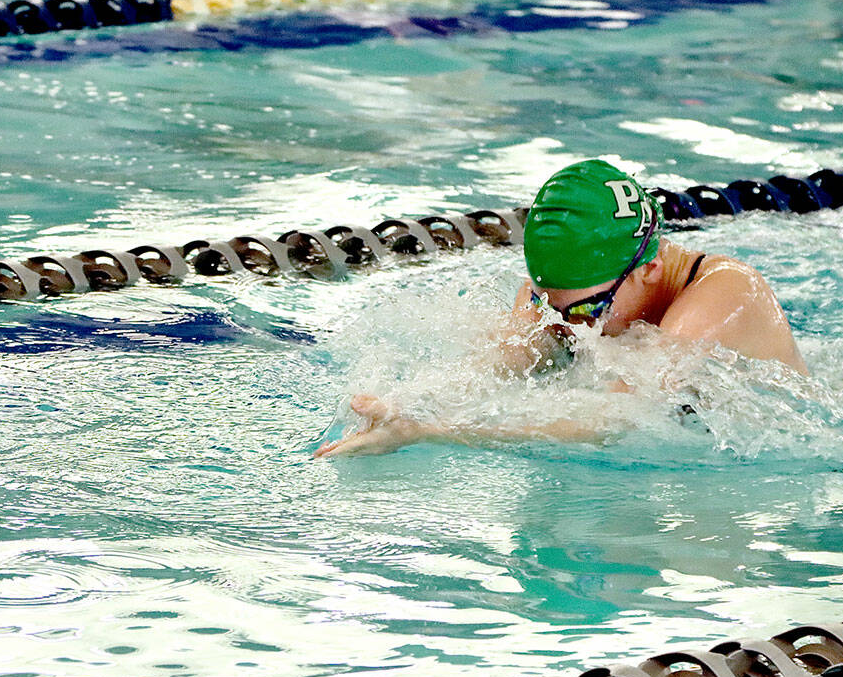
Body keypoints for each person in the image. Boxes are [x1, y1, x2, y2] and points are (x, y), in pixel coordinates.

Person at [315, 158, 807, 458]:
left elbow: (616, 418)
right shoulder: (562, 295)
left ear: (649, 267)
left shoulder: (722, 298)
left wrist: (436, 433)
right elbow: (501, 364)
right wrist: (408, 404)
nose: (567, 328)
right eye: (548, 305)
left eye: (586, 310)